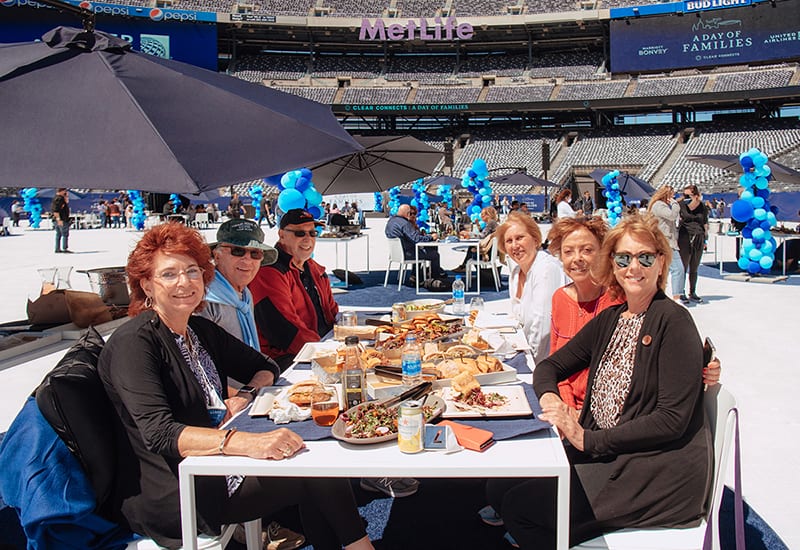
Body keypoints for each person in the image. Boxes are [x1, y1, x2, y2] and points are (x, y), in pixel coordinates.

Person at [97, 222, 373, 550]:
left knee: (313, 461)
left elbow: (264, 366)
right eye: (169, 274)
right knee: (315, 471)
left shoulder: (196, 329)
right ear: (145, 284)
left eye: (192, 271)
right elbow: (161, 434)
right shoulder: (135, 343)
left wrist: (245, 396)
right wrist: (245, 442)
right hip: (181, 490)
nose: (184, 282)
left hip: (217, 463)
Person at [487, 214, 712, 549]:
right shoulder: (613, 318)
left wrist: (587, 439)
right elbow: (550, 366)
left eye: (645, 257)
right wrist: (550, 399)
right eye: (623, 258)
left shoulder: (673, 321)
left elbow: (670, 421)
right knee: (500, 486)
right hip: (608, 450)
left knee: (522, 507)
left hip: (653, 467)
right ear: (613, 264)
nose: (633, 267)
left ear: (661, 263)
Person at [197, 219, 305, 550]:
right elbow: (207, 376)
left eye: (255, 254)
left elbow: (258, 363)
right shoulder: (206, 304)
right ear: (216, 255)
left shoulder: (240, 296)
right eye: (237, 251)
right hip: (225, 416)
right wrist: (247, 394)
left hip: (252, 394)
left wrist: (258, 387)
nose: (247, 261)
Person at [250, 209, 337, 370]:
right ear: (281, 235)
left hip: (320, 345)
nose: (308, 239)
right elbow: (285, 332)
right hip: (288, 358)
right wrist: (328, 353)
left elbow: (332, 313)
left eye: (312, 233)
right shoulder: (269, 272)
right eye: (300, 233)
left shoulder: (315, 269)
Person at [496, 211, 565, 363]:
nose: (515, 245)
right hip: (525, 352)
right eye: (509, 241)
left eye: (520, 238)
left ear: (535, 239)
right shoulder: (515, 273)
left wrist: (529, 364)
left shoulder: (545, 269)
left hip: (546, 361)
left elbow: (542, 329)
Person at [385, 203, 447, 282]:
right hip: (407, 253)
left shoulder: (391, 221)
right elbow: (416, 239)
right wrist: (431, 237)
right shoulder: (405, 224)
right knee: (434, 254)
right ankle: (435, 278)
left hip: (397, 253)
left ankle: (416, 275)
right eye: (411, 213)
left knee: (423, 249)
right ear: (407, 213)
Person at [648, 185, 686, 303]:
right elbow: (672, 215)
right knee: (678, 269)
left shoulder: (660, 205)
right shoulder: (659, 205)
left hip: (667, 240)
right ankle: (676, 297)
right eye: (672, 194)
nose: (673, 196)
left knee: (664, 270)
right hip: (666, 241)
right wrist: (675, 204)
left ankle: (661, 294)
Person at [678, 184, 708, 303]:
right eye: (684, 195)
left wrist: (706, 239)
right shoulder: (681, 206)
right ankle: (681, 292)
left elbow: (705, 223)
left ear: (696, 195)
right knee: (683, 266)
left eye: (688, 195)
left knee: (694, 267)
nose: (685, 197)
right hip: (685, 237)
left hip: (698, 237)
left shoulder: (703, 207)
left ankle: (693, 292)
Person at [454, 206, 499, 272]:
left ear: (488, 215)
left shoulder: (491, 223)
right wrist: (478, 225)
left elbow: (482, 236)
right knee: (472, 248)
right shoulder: (492, 223)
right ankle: (469, 268)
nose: (481, 216)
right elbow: (485, 234)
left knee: (472, 250)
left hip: (488, 252)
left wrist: (468, 234)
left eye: (483, 215)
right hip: (492, 250)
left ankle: (466, 267)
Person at [51, 187, 72, 253]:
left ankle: (57, 248)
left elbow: (66, 202)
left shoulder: (57, 198)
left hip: (58, 219)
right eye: (65, 191)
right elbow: (56, 210)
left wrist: (66, 197)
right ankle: (64, 248)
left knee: (58, 234)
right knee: (64, 234)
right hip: (61, 219)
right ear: (62, 191)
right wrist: (58, 219)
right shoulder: (59, 199)